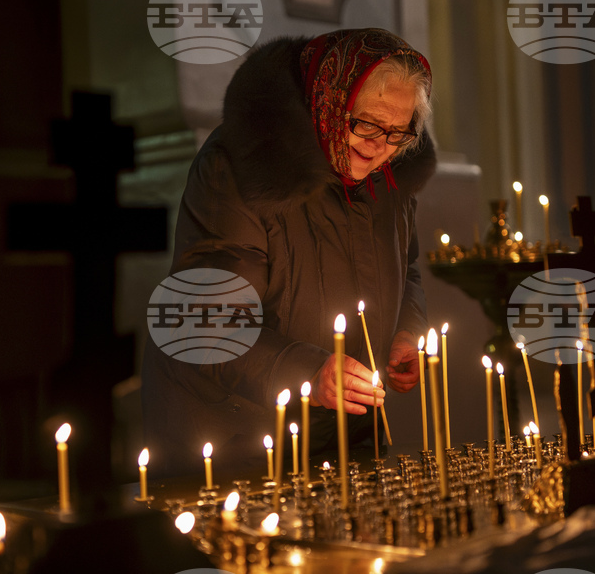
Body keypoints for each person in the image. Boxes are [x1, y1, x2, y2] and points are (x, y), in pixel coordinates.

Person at [142, 28, 436, 475]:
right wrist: (308, 372)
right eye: (367, 123)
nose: (379, 146)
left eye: (398, 133)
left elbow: (406, 268)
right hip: (233, 440)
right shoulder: (240, 163)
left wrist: (404, 333)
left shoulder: (390, 174)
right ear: (329, 101)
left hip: (339, 436)